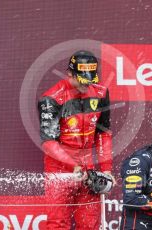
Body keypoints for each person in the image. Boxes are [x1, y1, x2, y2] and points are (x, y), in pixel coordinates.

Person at [38, 50, 115, 229]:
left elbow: (103, 133)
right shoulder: (51, 98)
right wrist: (73, 165)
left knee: (89, 224)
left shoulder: (101, 93)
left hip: (88, 168)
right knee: (58, 224)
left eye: (89, 80)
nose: (85, 85)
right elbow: (48, 142)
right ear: (70, 74)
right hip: (59, 169)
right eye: (82, 80)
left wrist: (106, 169)